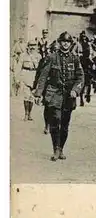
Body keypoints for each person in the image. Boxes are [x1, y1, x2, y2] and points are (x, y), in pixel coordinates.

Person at [34, 31, 84, 161]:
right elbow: (43, 76)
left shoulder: (75, 59)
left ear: (70, 43)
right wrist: (38, 93)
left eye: (68, 42)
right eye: (63, 42)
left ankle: (61, 148)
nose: (65, 44)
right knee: (55, 121)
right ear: (59, 42)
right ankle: (55, 148)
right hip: (54, 94)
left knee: (65, 124)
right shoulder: (52, 57)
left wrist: (75, 90)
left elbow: (80, 77)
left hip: (69, 96)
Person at [16, 40, 41, 121]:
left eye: (34, 45)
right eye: (31, 45)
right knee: (26, 96)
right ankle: (26, 114)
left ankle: (30, 114)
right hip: (26, 75)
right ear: (28, 46)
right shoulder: (23, 55)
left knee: (32, 97)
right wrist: (17, 78)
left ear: (36, 46)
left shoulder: (38, 56)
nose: (32, 47)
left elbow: (40, 68)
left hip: (34, 75)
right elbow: (19, 66)